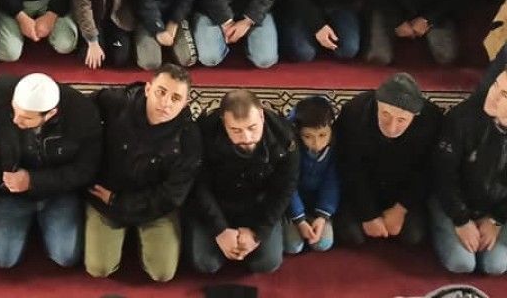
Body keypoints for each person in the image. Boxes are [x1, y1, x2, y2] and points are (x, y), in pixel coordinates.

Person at [0, 73, 99, 269]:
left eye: (26, 118)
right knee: (3, 258)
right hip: (9, 191)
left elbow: (85, 170)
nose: (16, 120)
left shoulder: (83, 115)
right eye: (14, 111)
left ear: (50, 114)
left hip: (57, 192)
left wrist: (33, 181)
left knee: (65, 256)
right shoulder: (2, 91)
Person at [85, 65, 201, 282]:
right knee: (99, 268)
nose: (166, 103)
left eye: (176, 98)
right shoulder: (118, 103)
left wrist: (120, 202)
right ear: (148, 89)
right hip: (106, 197)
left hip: (154, 207)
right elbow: (81, 108)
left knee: (162, 273)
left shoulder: (189, 138)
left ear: (186, 103)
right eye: (161, 92)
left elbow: (172, 195)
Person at [189, 90, 299, 274]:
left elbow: (284, 189)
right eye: (236, 130)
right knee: (206, 263)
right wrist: (220, 229)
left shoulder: (285, 137)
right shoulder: (203, 133)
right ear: (224, 122)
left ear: (262, 116)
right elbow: (199, 186)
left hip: (259, 205)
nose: (247, 138)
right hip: (218, 204)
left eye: (252, 127)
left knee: (266, 263)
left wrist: (258, 232)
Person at [335, 73, 443, 247]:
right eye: (385, 114)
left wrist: (400, 209)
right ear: (377, 104)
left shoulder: (431, 121)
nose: (392, 127)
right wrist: (368, 214)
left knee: (413, 236)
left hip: (401, 191)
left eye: (401, 120)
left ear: (415, 115)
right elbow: (348, 166)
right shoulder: (355, 112)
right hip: (364, 188)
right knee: (351, 235)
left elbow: (427, 171)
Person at [431, 68, 507, 275]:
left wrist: (496, 220)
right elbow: (443, 175)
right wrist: (461, 219)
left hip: (495, 207)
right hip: (456, 202)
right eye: (495, 86)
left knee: (496, 265)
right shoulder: (462, 118)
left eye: (504, 94)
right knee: (462, 263)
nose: (493, 95)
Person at [284, 95, 339, 255]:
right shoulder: (290, 147)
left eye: (323, 135)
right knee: (293, 247)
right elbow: (289, 184)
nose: (317, 144)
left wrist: (322, 215)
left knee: (323, 244)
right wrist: (299, 218)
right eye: (308, 137)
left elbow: (332, 182)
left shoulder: (335, 148)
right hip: (291, 204)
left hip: (318, 204)